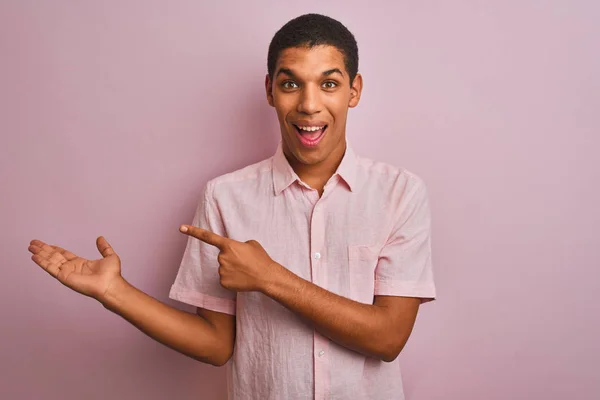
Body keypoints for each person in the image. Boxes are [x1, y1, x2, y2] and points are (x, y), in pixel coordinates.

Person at [28, 13, 436, 400]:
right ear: (270, 91)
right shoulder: (225, 197)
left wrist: (270, 277)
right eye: (290, 84)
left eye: (328, 84)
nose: (309, 105)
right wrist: (115, 292)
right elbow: (216, 344)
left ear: (355, 90)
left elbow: (388, 339)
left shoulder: (400, 193)